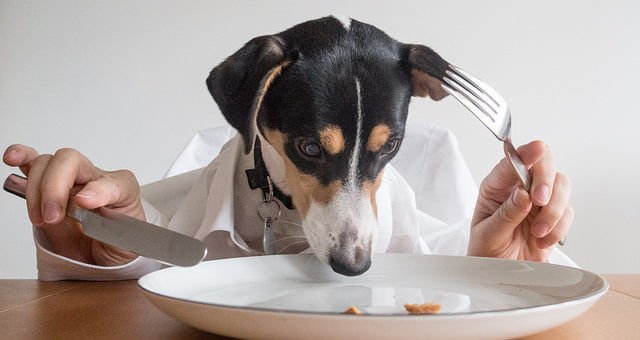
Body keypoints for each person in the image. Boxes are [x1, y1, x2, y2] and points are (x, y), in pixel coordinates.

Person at [2, 120, 574, 281]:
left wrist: (502, 279)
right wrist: (101, 258)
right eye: (308, 149)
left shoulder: (442, 226)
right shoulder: (171, 216)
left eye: (381, 153)